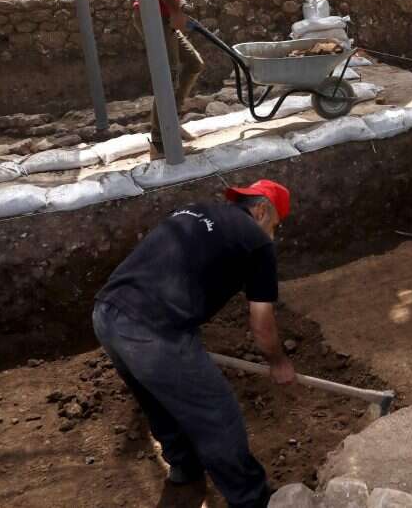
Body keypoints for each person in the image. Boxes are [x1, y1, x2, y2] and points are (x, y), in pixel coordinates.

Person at [92, 179, 294, 508]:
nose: (274, 233)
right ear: (261, 211)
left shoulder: (196, 210)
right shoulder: (257, 242)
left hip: (106, 313)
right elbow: (261, 322)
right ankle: (251, 499)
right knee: (217, 415)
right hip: (153, 331)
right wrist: (278, 362)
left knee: (156, 401)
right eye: (276, 224)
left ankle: (185, 469)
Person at [134, 0, 225, 158]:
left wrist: (175, 7)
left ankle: (170, 122)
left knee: (193, 64)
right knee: (169, 74)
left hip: (157, 13)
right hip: (156, 16)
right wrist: (174, 10)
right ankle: (160, 141)